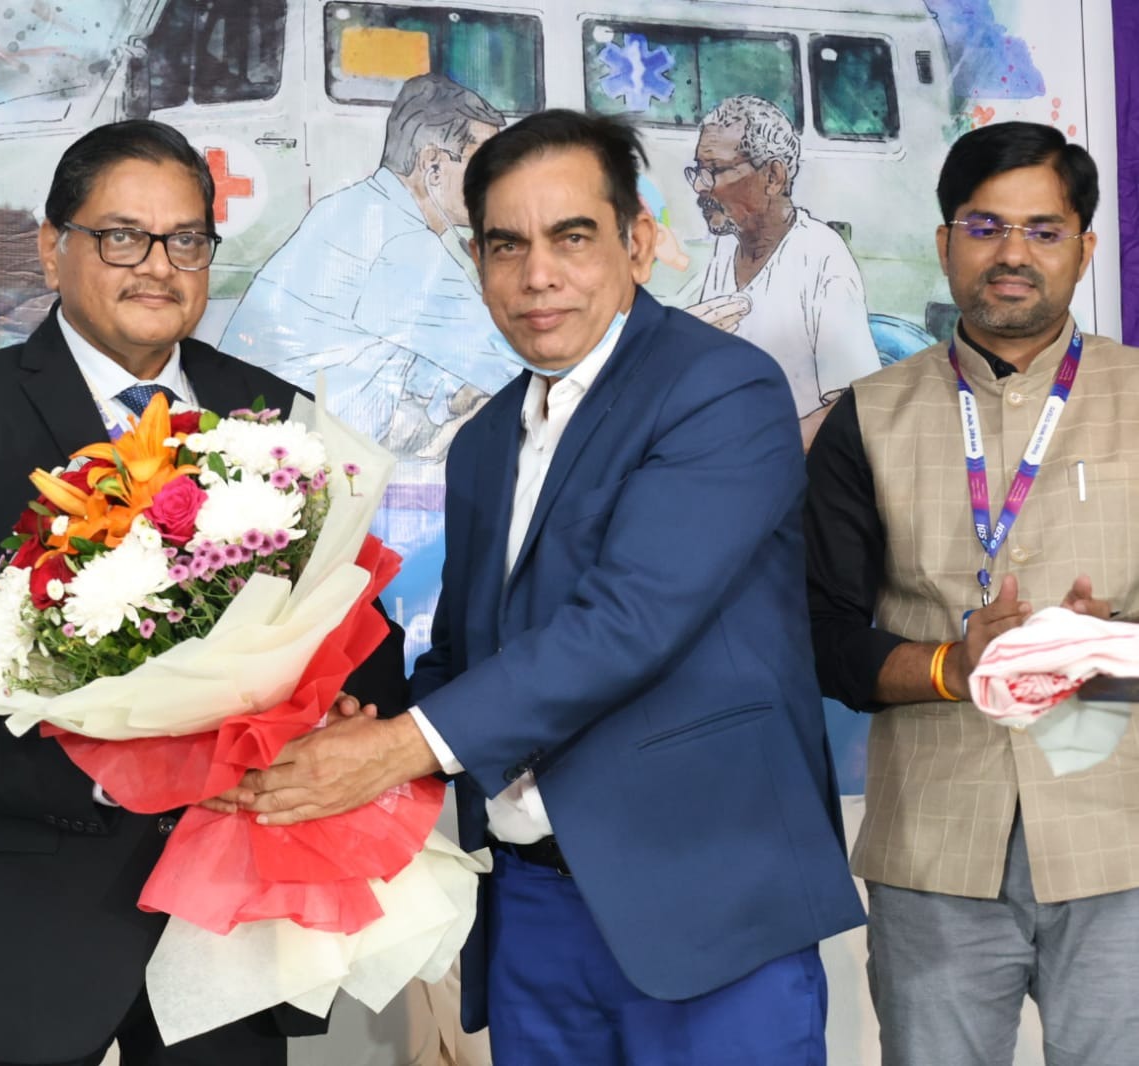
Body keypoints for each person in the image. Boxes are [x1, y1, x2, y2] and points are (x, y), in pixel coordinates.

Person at [234, 109, 865, 1064]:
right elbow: (468, 650)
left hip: (705, 897)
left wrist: (399, 748)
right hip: (531, 903)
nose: (538, 275)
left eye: (572, 237)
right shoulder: (487, 437)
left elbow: (630, 621)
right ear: (477, 261)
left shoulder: (720, 388)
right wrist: (362, 722)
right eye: (506, 245)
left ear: (637, 243)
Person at [0, 119, 406, 1066]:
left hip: (227, 921)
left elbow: (357, 636)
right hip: (26, 924)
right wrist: (107, 781)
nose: (157, 266)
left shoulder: (277, 415)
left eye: (185, 240)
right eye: (121, 237)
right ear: (51, 247)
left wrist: (345, 714)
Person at [806, 121, 1139, 1066]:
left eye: (1042, 230)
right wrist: (955, 666)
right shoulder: (867, 416)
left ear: (1083, 247)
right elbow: (822, 636)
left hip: (1121, 837)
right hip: (935, 850)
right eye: (984, 227)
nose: (1011, 254)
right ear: (945, 240)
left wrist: (1110, 649)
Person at [219, 73, 510, 464]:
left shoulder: (355, 208)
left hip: (261, 438)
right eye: (484, 167)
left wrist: (458, 394)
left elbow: (420, 361)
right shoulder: (402, 243)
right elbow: (513, 361)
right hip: (288, 461)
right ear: (433, 165)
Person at [684, 95, 880, 447]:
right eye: (698, 171)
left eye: (715, 171)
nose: (700, 186)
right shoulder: (726, 248)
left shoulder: (820, 257)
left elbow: (855, 404)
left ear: (773, 176)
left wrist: (764, 451)